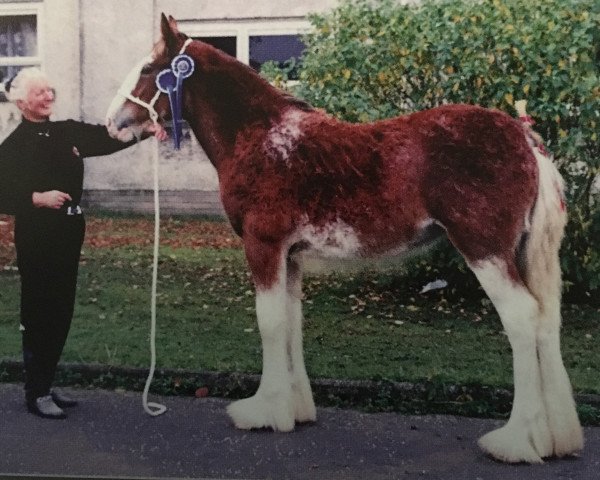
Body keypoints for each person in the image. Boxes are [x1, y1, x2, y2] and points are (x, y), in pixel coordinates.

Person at [0, 67, 167, 419]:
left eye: (50, 91)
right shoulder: (14, 145)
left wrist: (147, 131)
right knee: (40, 312)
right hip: (37, 235)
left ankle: (46, 384)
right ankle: (37, 392)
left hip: (69, 231)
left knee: (61, 311)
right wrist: (35, 198)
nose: (48, 97)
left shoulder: (67, 131)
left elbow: (108, 139)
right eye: (39, 93)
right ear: (20, 102)